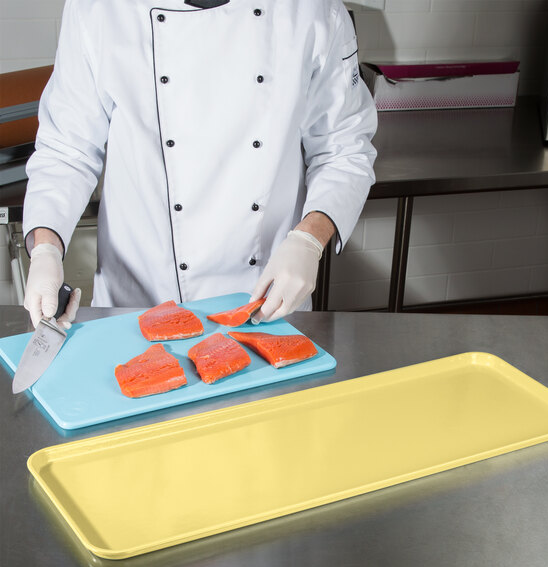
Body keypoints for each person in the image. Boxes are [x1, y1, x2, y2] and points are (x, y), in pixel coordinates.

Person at [22, 0, 377, 329]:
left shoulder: (311, 10)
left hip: (265, 301)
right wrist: (46, 247)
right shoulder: (100, 9)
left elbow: (344, 148)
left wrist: (308, 241)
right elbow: (66, 149)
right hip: (137, 302)